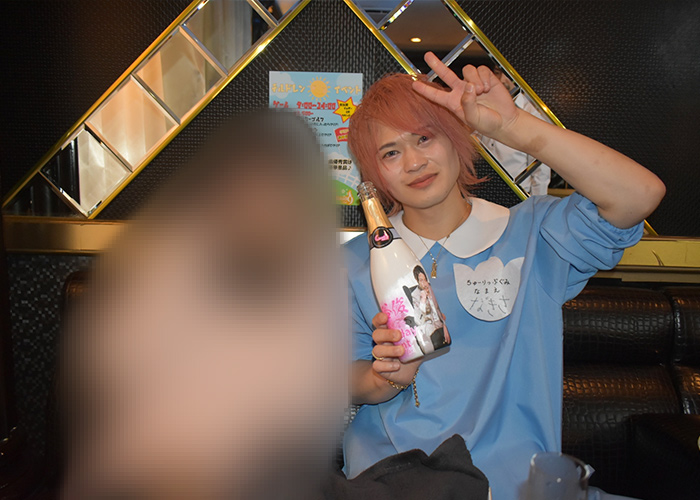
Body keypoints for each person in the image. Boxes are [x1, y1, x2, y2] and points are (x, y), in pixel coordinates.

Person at [343, 52, 665, 500]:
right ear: (374, 174)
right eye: (390, 153)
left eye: (425, 138)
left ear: (457, 139)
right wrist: (387, 376)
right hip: (395, 481)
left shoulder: (533, 234)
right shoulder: (354, 264)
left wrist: (514, 127)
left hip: (519, 484)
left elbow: (641, 195)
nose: (414, 162)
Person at [58, 110, 348, 499]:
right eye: (250, 186)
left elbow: (307, 403)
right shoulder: (163, 261)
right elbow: (121, 378)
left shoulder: (315, 278)